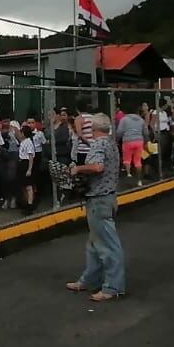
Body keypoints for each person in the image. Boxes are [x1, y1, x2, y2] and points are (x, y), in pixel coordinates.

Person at [65, 113, 125, 302]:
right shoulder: (111, 144)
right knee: (93, 244)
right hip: (108, 196)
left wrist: (78, 169)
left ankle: (112, 287)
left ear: (93, 128)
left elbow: (97, 167)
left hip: (99, 199)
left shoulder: (99, 144)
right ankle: (89, 280)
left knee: (107, 245)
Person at [115, 105, 147, 183]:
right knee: (138, 161)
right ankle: (139, 180)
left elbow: (119, 132)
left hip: (127, 141)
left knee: (127, 159)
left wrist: (116, 140)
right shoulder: (141, 120)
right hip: (139, 141)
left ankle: (129, 175)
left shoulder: (124, 119)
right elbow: (145, 132)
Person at [0, 117, 21, 209]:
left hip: (13, 154)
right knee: (4, 178)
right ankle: (6, 199)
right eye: (3, 121)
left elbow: (22, 141)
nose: (5, 123)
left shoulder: (14, 129)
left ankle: (13, 198)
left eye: (7, 121)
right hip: (2, 155)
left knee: (12, 177)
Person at [17, 124, 38, 213]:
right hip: (22, 163)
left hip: (26, 163)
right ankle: (26, 203)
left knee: (29, 186)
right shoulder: (23, 142)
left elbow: (30, 156)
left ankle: (30, 204)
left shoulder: (29, 142)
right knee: (24, 186)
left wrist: (29, 169)